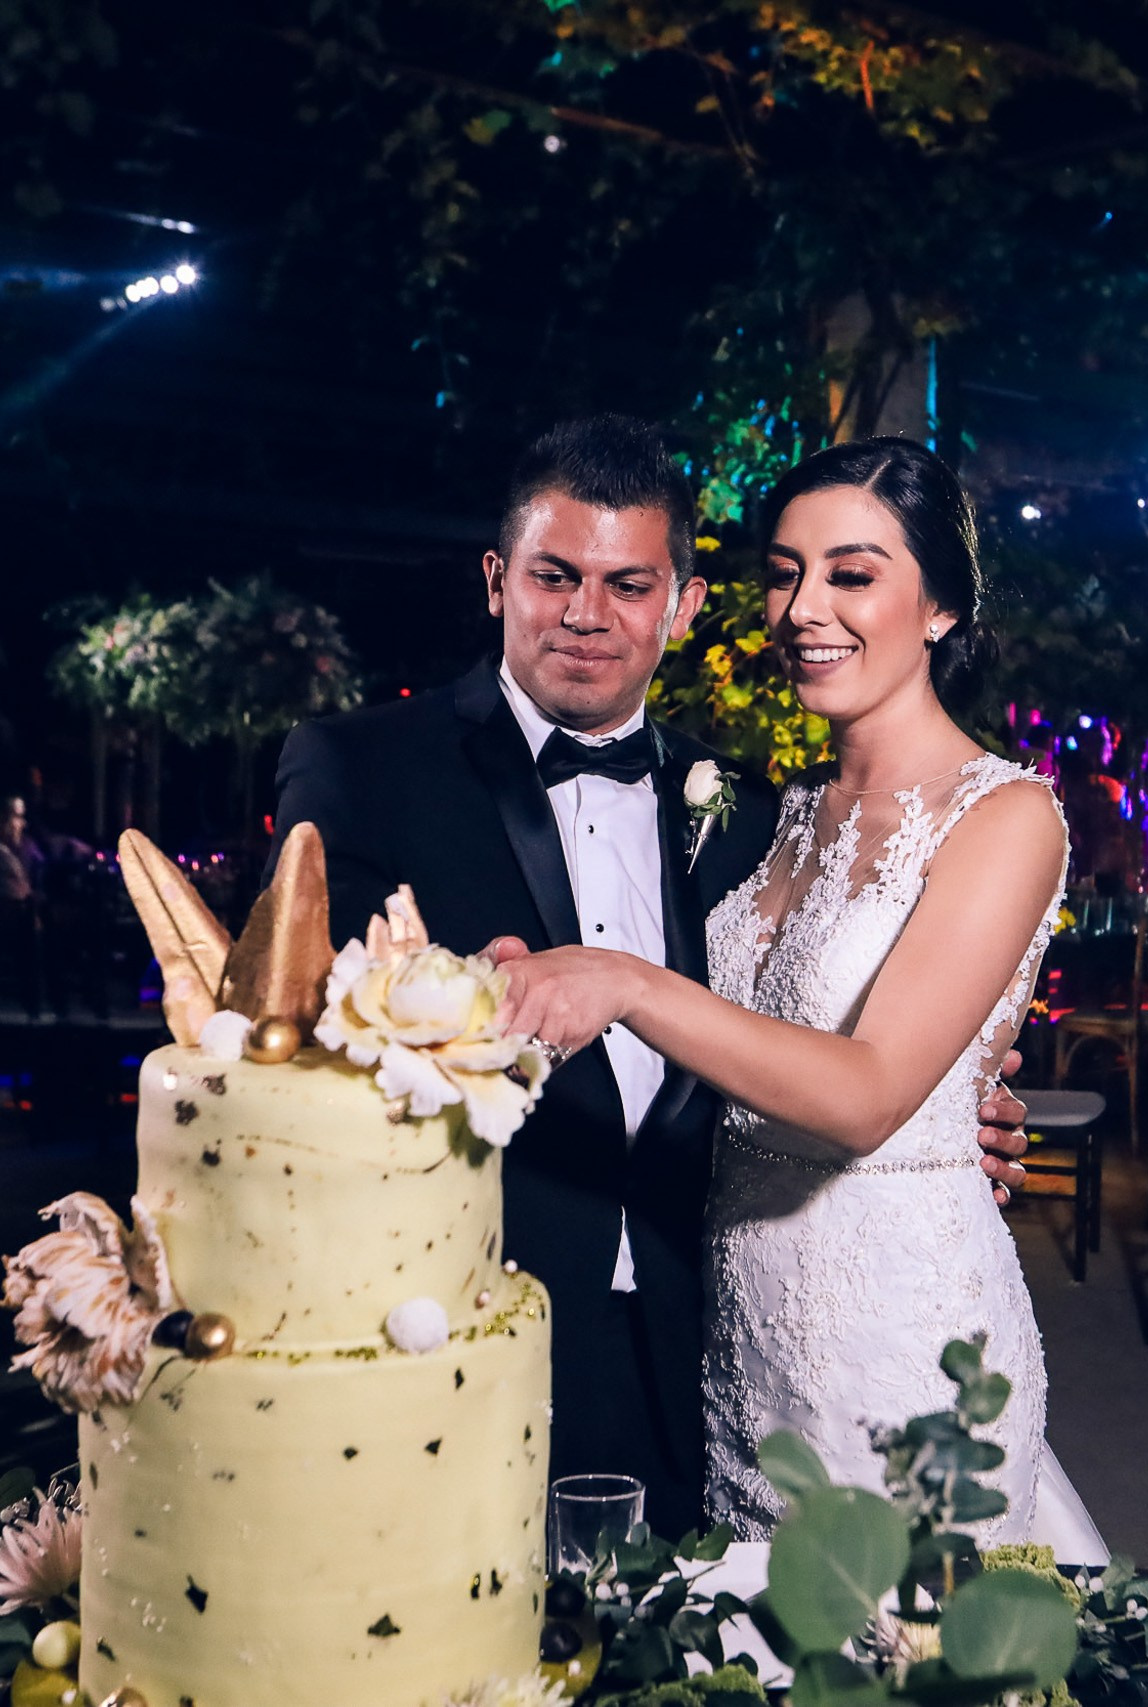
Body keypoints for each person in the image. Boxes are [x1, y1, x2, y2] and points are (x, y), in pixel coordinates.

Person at [274, 418, 1031, 1538]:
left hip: (700, 1330)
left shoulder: (746, 811)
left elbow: (841, 1047)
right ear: (497, 580)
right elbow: (297, 1059)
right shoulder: (357, 767)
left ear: (678, 607)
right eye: (553, 576)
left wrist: (953, 1106)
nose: (587, 614)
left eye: (628, 584)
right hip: (467, 1321)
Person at [488, 436, 1099, 1556]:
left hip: (899, 1330)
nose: (803, 608)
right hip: (737, 1325)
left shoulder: (1008, 817)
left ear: (942, 609)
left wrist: (626, 981)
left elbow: (869, 1093)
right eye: (785, 572)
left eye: (853, 575)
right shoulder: (776, 812)